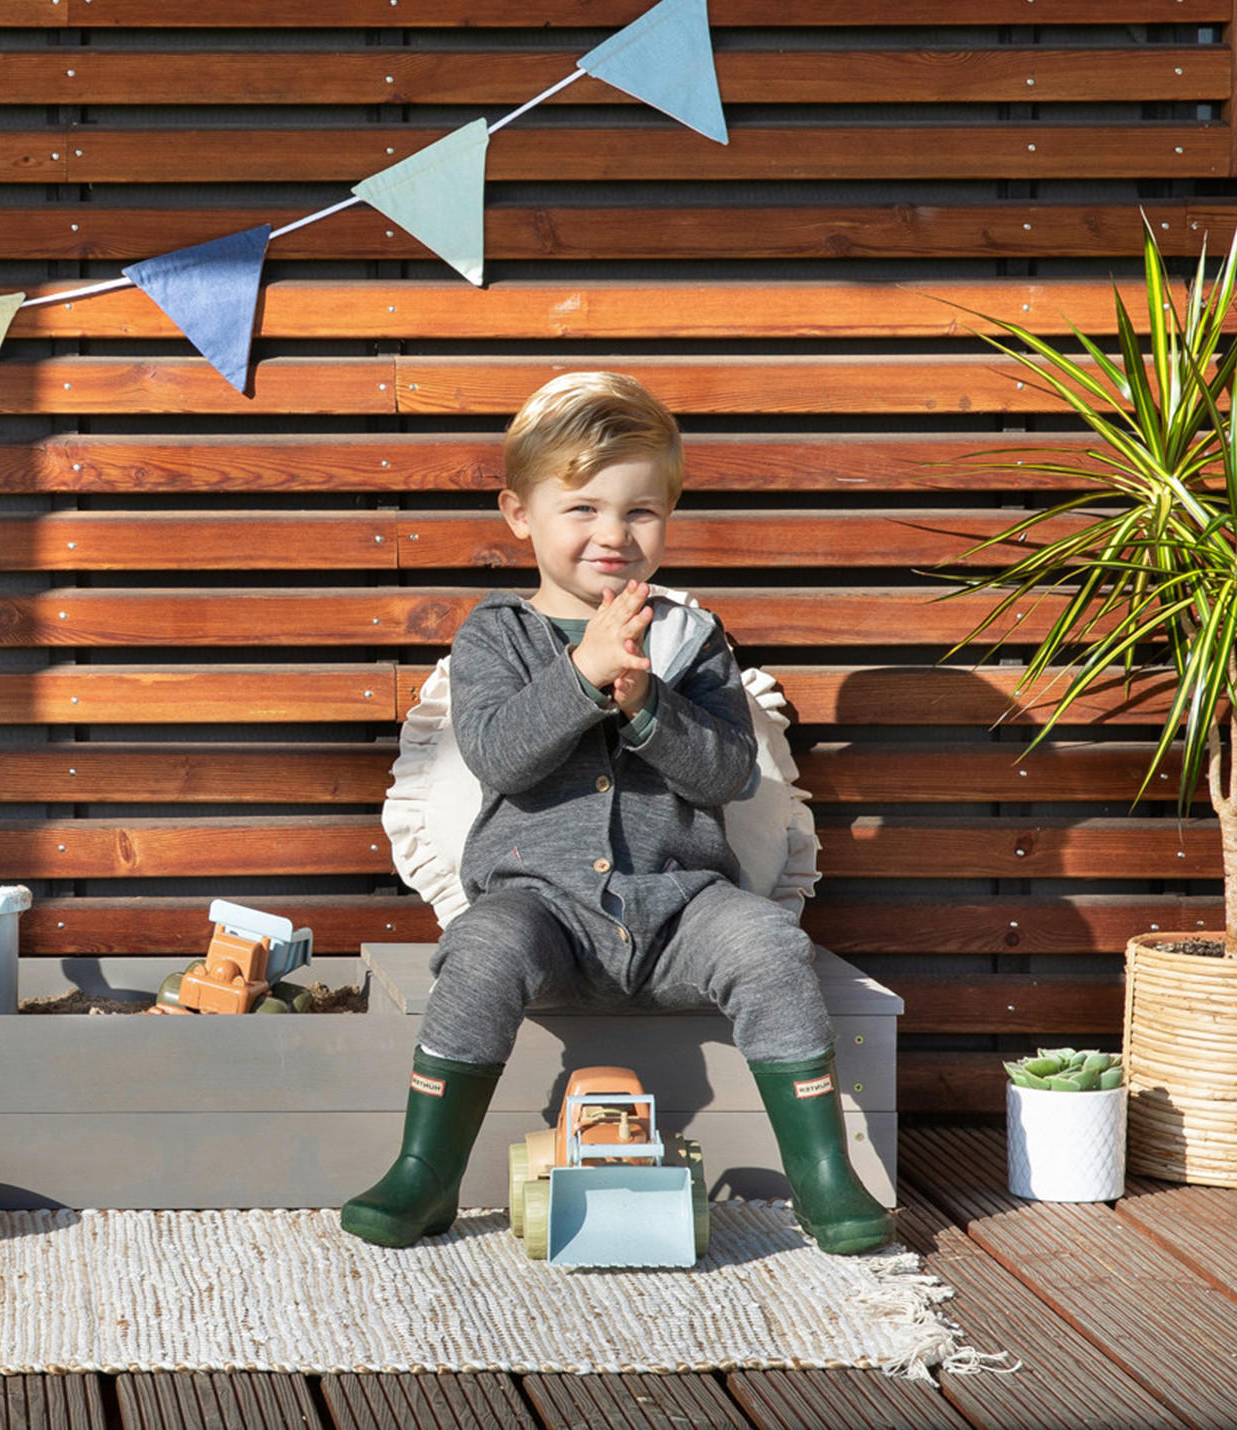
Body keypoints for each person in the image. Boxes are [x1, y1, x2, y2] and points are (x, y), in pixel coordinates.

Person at [340, 371, 894, 1256]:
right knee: (481, 948)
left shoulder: (691, 637)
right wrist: (582, 673)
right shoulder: (497, 633)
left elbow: (724, 775)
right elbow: (497, 754)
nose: (613, 533)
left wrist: (647, 708)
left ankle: (825, 1174)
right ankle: (424, 1171)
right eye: (584, 508)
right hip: (541, 914)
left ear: (668, 518)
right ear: (519, 515)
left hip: (681, 912)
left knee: (769, 945)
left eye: (639, 512)